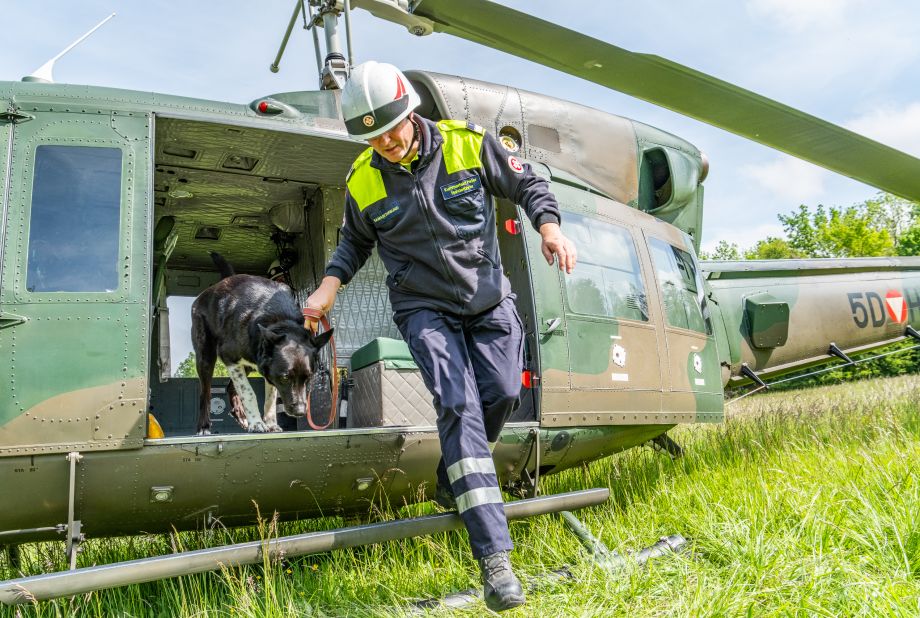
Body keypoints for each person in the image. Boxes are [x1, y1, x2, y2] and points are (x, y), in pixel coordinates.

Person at [306, 61, 576, 612]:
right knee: (458, 405)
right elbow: (353, 245)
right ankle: (495, 561)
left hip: (487, 298)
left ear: (411, 110)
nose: (385, 143)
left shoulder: (466, 144)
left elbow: (527, 183)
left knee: (501, 392)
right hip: (423, 308)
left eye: (391, 130)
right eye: (372, 137)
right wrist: (328, 287)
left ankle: (453, 473)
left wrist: (548, 226)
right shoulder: (363, 178)